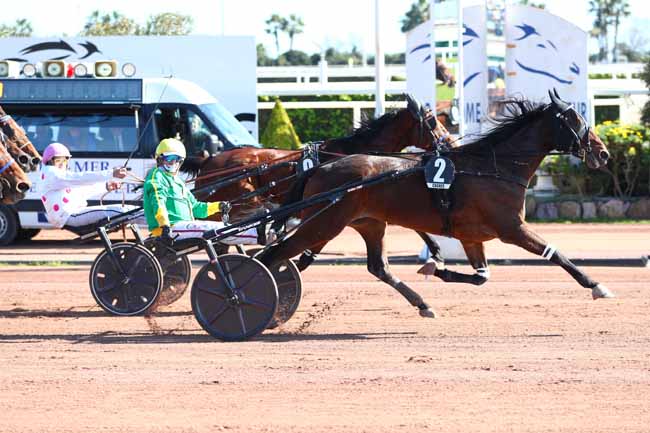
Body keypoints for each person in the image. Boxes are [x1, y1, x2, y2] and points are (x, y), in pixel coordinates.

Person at [143, 138, 264, 245]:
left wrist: (218, 206)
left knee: (221, 227)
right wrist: (164, 225)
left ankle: (258, 233)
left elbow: (196, 208)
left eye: (178, 159)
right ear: (159, 158)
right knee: (213, 228)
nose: (173, 163)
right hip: (169, 228)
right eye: (170, 158)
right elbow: (158, 203)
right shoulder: (157, 176)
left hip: (182, 227)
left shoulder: (177, 181)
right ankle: (258, 234)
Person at [39, 142, 135, 230]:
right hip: (69, 216)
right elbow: (81, 178)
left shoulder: (59, 179)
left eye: (64, 161)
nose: (61, 164)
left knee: (127, 210)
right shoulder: (51, 173)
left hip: (73, 214)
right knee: (121, 210)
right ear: (49, 161)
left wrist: (106, 186)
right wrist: (111, 173)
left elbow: (81, 192)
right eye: (58, 160)